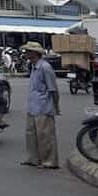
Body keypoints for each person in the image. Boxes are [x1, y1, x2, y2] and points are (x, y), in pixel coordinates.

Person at [21, 41, 60, 169]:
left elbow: (53, 89)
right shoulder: (33, 66)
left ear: (34, 53)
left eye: (28, 51)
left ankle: (49, 161)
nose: (25, 53)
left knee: (45, 136)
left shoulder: (45, 67)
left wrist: (56, 105)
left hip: (44, 106)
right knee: (31, 134)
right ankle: (33, 158)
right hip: (33, 105)